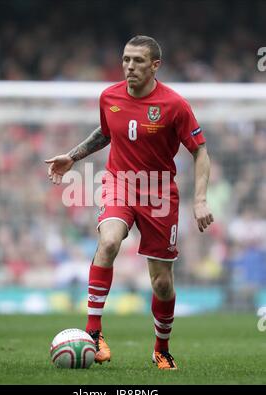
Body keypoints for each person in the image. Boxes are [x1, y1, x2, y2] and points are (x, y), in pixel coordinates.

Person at [45, 35, 214, 370]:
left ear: (155, 65)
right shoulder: (109, 96)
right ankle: (93, 333)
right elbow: (107, 132)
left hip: (159, 194)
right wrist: (73, 157)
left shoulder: (175, 105)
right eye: (126, 59)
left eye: (138, 61)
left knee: (162, 283)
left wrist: (200, 200)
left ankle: (161, 349)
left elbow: (200, 150)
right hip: (119, 184)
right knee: (108, 242)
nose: (130, 66)